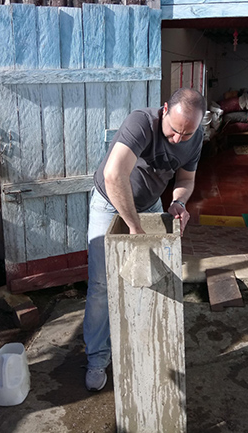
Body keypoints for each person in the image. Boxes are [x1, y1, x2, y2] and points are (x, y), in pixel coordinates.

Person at [83, 87, 206, 391]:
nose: (178, 139)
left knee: (149, 279)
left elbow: (186, 181)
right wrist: (135, 230)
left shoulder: (196, 137)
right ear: (165, 109)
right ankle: (97, 358)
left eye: (186, 134)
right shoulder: (141, 122)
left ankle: (140, 345)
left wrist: (178, 202)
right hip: (108, 201)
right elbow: (114, 175)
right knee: (102, 283)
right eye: (175, 131)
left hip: (149, 204)